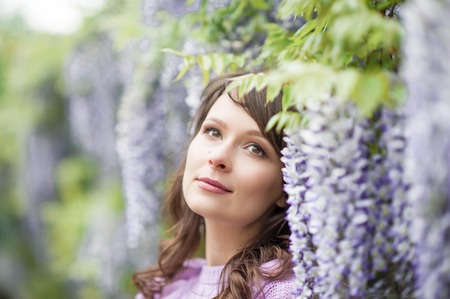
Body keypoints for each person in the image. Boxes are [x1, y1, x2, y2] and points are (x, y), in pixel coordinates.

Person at [133, 73, 295, 298]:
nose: (218, 157)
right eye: (213, 131)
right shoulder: (165, 289)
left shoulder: (289, 291)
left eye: (255, 148)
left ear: (288, 186)